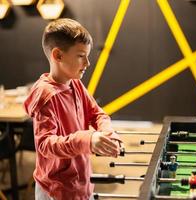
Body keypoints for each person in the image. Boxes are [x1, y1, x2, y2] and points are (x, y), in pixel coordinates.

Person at [24, 18, 123, 200]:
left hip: (80, 181)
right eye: (80, 55)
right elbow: (45, 145)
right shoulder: (46, 95)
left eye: (87, 56)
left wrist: (107, 133)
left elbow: (97, 113)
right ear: (58, 55)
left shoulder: (75, 84)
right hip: (56, 190)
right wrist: (87, 139)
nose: (87, 63)